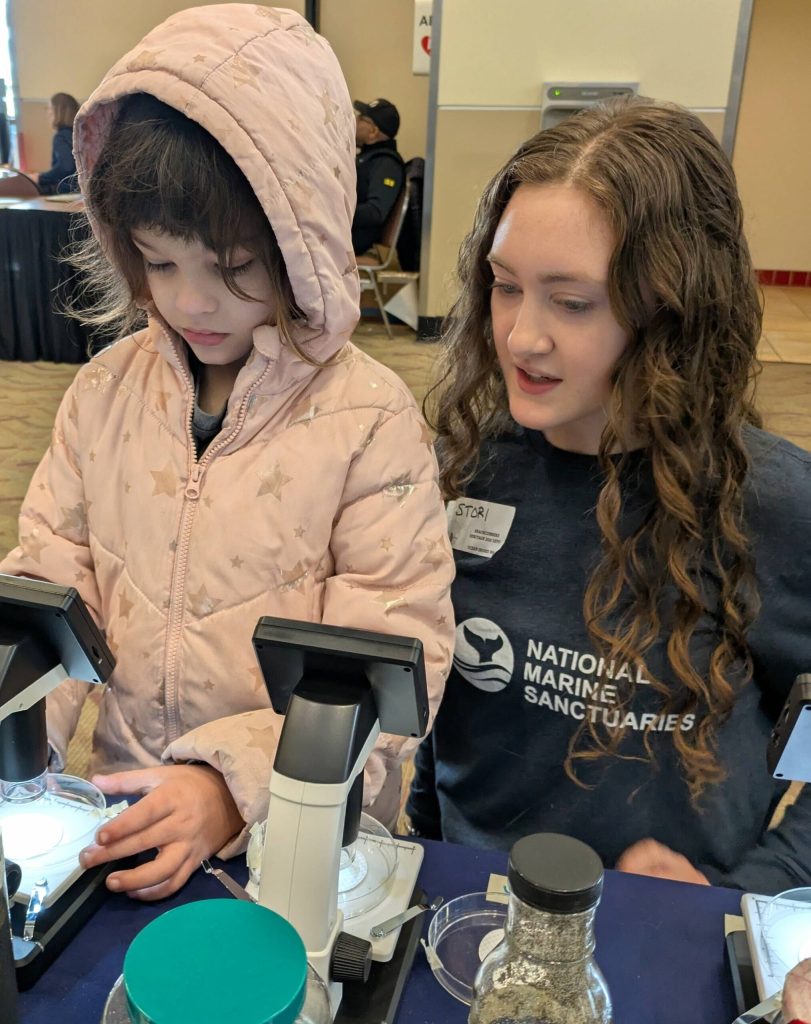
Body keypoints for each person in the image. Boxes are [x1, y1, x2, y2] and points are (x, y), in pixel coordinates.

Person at [0, 5, 454, 901]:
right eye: (159, 265)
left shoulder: (370, 420)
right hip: (120, 815)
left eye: (235, 265)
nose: (192, 303)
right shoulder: (103, 395)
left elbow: (391, 661)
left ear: (301, 242)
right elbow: (53, 585)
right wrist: (24, 739)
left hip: (300, 838)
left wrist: (231, 786)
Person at [406, 95, 811, 896]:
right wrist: (417, 847)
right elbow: (436, 709)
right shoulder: (462, 468)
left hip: (668, 934)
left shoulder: (769, 504)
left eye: (573, 301)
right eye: (504, 285)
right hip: (464, 915)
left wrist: (753, 885)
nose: (522, 336)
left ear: (671, 311)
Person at [352, 97, 404, 257]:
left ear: (373, 132)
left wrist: (334, 211)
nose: (354, 120)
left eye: (361, 118)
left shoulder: (386, 164)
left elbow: (375, 213)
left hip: (355, 243)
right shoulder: (368, 159)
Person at [31, 91, 79, 194]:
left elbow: (66, 167)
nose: (48, 113)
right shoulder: (78, 134)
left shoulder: (61, 136)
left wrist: (40, 177)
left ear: (57, 111)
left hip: (68, 191)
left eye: (49, 108)